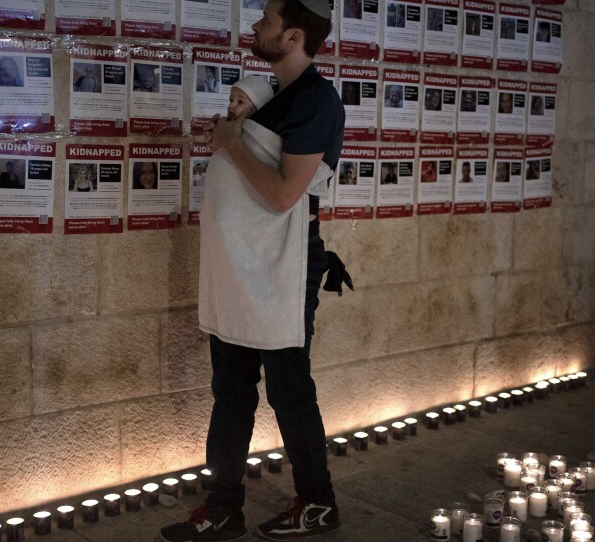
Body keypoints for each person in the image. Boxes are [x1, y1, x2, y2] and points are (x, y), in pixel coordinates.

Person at [159, 0, 346, 539]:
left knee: (289, 390)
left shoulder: (316, 101)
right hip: (241, 263)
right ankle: (223, 507)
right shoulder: (270, 93)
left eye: (266, 21)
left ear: (292, 37)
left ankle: (318, 503)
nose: (255, 28)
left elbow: (285, 194)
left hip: (282, 266)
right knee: (232, 388)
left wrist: (231, 143)